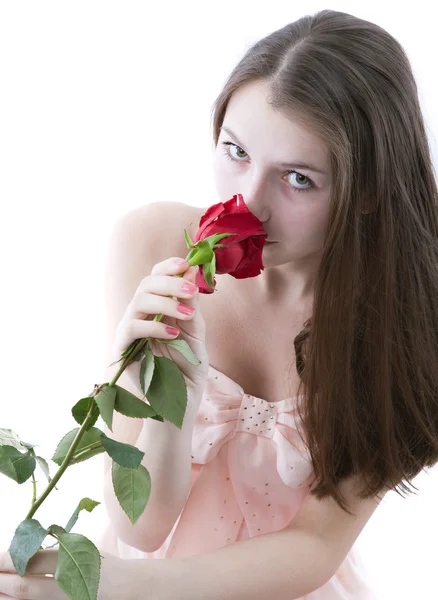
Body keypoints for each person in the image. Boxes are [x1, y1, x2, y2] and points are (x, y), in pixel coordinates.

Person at [97, 8, 438, 599]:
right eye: (235, 151)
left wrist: (130, 587)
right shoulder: (152, 246)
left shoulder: (405, 326)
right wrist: (166, 383)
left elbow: (316, 544)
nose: (248, 201)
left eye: (298, 178)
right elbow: (140, 526)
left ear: (367, 193)